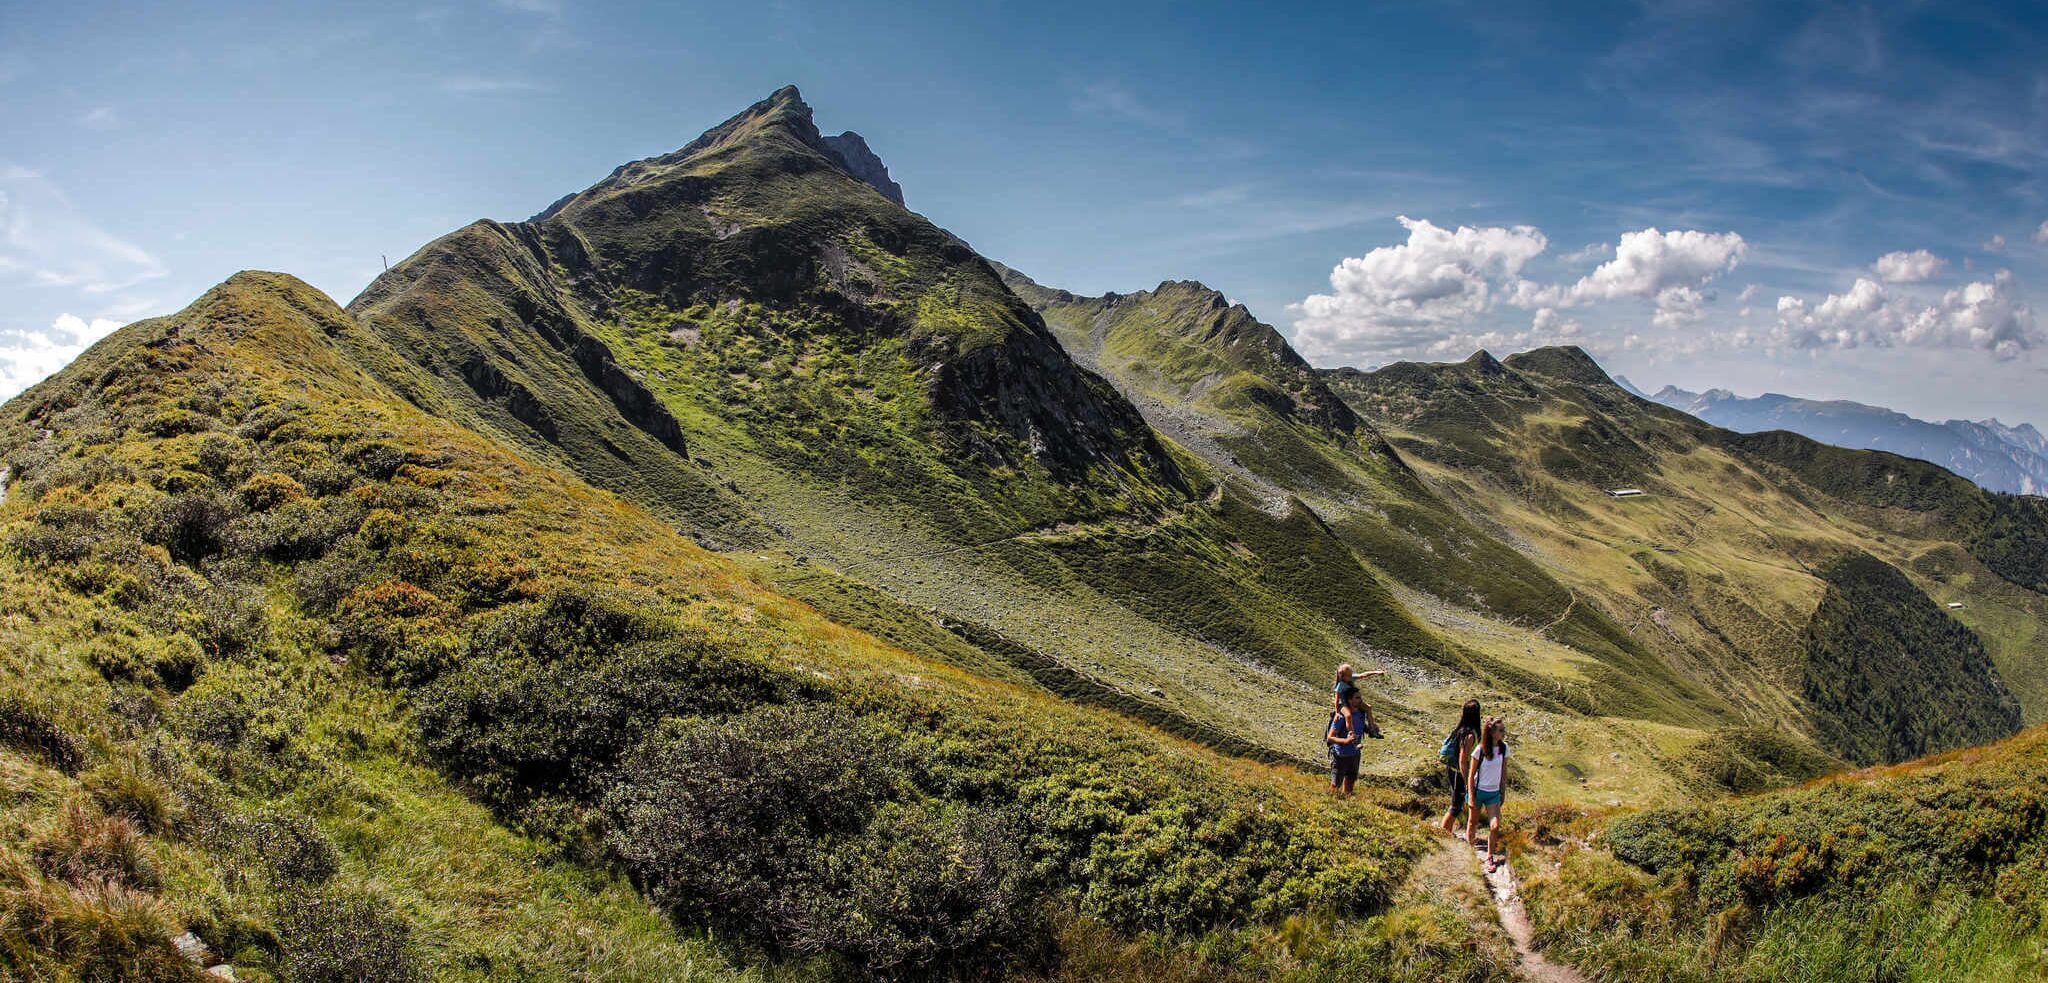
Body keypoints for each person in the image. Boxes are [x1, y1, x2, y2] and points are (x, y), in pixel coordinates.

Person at [1466, 716, 1510, 873]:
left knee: (1495, 826)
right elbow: (1471, 775)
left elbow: (1504, 772)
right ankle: (1469, 851)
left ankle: (1489, 856)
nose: (1504, 732)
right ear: (1492, 733)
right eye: (1501, 730)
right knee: (1472, 823)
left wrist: (1502, 792)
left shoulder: (1504, 748)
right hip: (1478, 791)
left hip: (1493, 794)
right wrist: (1471, 796)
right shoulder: (1480, 750)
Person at [1438, 700, 1482, 837]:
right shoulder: (1469, 735)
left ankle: (1446, 831)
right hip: (1459, 773)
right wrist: (1468, 779)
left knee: (1457, 803)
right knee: (1456, 805)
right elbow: (1463, 760)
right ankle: (1443, 833)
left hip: (1455, 771)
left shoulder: (1463, 730)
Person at [1332, 663, 1386, 739]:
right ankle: (1351, 735)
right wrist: (1337, 712)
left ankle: (1372, 730)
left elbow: (1363, 675)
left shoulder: (1351, 678)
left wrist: (1375, 672)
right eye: (1349, 675)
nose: (1351, 676)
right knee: (1348, 716)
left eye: (1351, 674)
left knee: (1368, 708)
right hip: (1343, 704)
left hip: (1353, 701)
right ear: (1342, 676)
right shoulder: (1340, 685)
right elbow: (1336, 699)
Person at [1326, 692, 1365, 797]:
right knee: (1335, 785)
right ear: (1350, 700)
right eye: (1357, 698)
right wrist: (1345, 741)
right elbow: (1330, 737)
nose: (1360, 700)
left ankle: (1346, 804)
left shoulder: (1361, 714)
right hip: (1340, 755)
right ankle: (1329, 802)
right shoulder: (1340, 717)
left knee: (1350, 782)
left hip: (1355, 754)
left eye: (1360, 697)